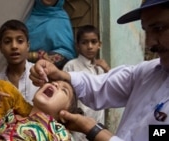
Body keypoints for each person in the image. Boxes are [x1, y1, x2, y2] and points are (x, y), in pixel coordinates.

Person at [29, 0, 169, 140]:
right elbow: (99, 86)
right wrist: (60, 74)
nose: (149, 42)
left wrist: (93, 129)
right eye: (146, 30)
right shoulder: (149, 72)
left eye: (158, 28)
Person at [0, 80, 79, 141]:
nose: (55, 84)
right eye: (53, 82)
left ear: (64, 115)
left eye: (64, 90)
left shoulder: (59, 133)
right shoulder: (10, 118)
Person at [63, 24, 110, 141]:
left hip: (97, 123)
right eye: (84, 43)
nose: (90, 46)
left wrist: (108, 70)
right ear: (77, 46)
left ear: (99, 44)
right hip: (77, 126)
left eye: (94, 42)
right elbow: (64, 97)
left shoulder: (100, 68)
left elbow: (111, 91)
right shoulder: (71, 66)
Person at [0, 19, 39, 105]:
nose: (14, 46)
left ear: (28, 46)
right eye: (7, 42)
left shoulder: (38, 74)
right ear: (0, 48)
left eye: (20, 41)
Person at [25, 0, 76, 69]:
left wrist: (36, 56)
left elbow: (67, 53)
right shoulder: (25, 13)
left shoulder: (61, 19)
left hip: (47, 74)